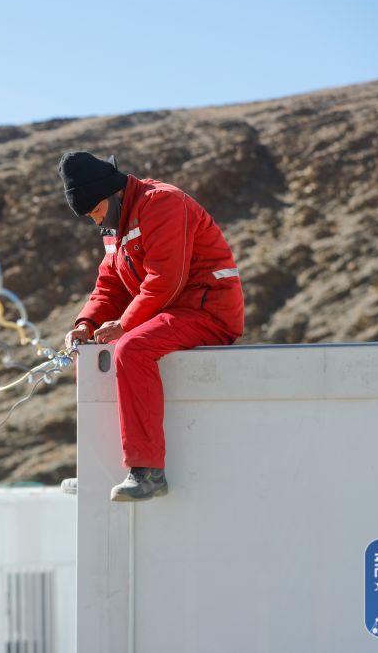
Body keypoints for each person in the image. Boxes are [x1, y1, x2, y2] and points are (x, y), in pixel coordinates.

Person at [58, 151, 244, 502]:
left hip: (208, 310)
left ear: (110, 192)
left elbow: (165, 280)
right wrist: (86, 323)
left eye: (95, 210)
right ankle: (98, 469)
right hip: (167, 313)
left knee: (132, 348)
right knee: (92, 355)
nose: (96, 221)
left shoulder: (161, 203)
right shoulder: (115, 226)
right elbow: (109, 285)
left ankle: (148, 472)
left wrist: (125, 324)